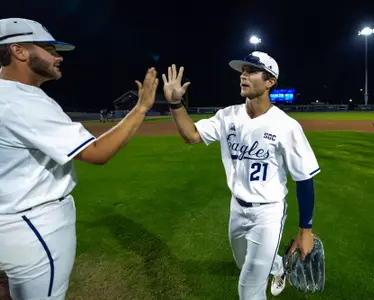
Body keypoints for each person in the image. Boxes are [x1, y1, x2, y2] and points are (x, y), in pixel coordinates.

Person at [0, 18, 159, 299]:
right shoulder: (22, 99)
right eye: (49, 48)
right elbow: (98, 153)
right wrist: (142, 107)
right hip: (32, 225)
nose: (58, 57)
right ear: (19, 51)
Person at [161, 51, 321, 299]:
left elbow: (304, 179)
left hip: (268, 212)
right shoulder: (227, 116)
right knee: (241, 262)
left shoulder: (286, 126)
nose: (243, 76)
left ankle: (268, 272)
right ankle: (280, 267)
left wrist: (305, 230)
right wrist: (175, 104)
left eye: (251, 71)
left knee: (249, 286)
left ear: (270, 82)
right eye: (242, 71)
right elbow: (191, 135)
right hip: (237, 208)